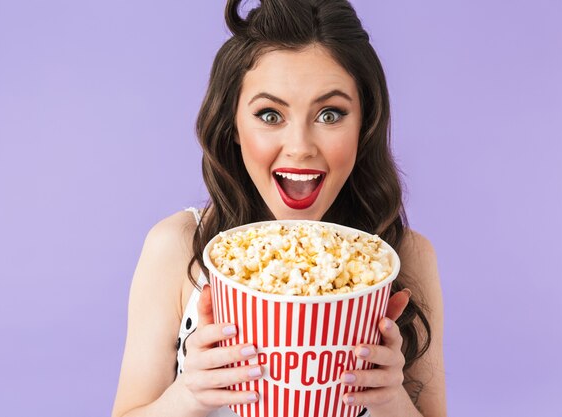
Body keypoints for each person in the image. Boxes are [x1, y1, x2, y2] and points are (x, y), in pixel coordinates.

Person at [111, 0, 446, 416]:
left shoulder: (405, 257)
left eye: (330, 114)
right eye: (270, 115)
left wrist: (391, 399)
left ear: (365, 124)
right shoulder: (177, 247)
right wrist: (188, 396)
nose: (301, 147)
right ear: (233, 125)